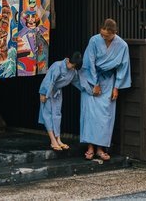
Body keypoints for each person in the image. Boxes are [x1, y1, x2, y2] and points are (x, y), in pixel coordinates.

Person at [78, 18, 131, 161]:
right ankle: (90, 147)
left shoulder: (122, 45)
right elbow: (89, 62)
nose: (103, 37)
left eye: (106, 36)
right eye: (102, 34)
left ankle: (101, 148)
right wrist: (94, 83)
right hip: (91, 79)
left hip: (109, 81)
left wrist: (117, 87)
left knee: (105, 115)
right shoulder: (94, 41)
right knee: (89, 112)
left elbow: (123, 67)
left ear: (114, 33)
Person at [38, 51, 83, 151]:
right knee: (48, 115)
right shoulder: (57, 65)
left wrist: (89, 90)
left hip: (57, 93)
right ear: (69, 60)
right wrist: (43, 93)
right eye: (73, 65)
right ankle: (53, 140)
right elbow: (49, 80)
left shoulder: (73, 71)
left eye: (75, 66)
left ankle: (58, 139)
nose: (73, 67)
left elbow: (77, 83)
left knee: (57, 115)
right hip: (48, 91)